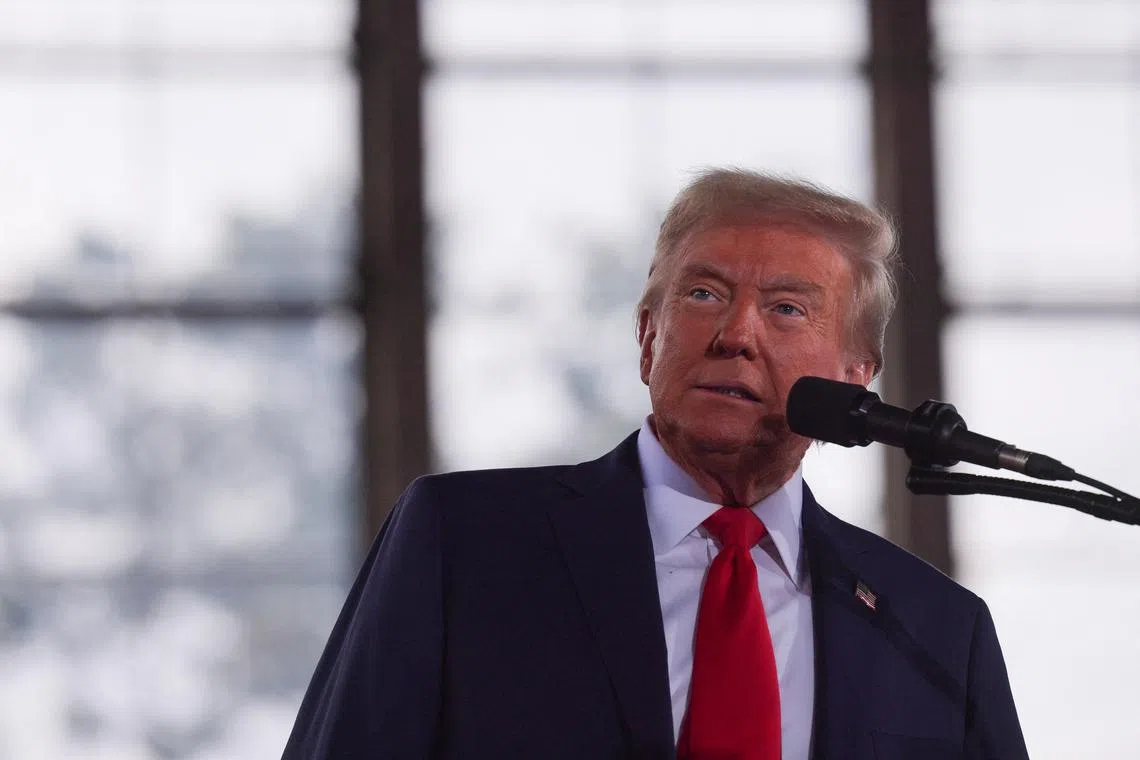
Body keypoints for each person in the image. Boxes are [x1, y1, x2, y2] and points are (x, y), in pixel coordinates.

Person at [281, 169, 1029, 760]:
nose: (736, 334)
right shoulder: (464, 541)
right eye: (703, 294)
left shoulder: (936, 628)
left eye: (786, 308)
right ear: (648, 339)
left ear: (854, 377)